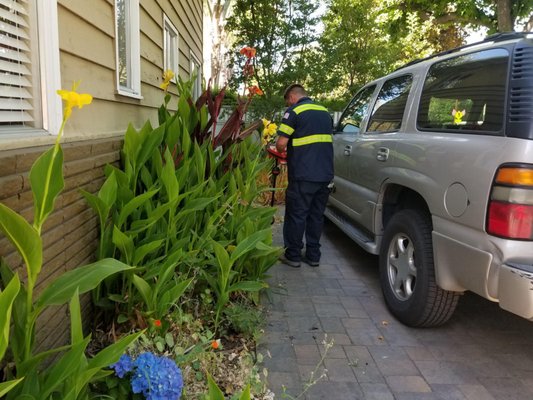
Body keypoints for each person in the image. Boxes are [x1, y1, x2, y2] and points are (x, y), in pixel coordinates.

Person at [275, 84, 334, 268]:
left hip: (303, 174)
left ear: (292, 96)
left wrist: (280, 149)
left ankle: (292, 255)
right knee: (316, 216)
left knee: (296, 214)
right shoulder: (324, 111)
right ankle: (313, 255)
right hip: (325, 174)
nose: (287, 104)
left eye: (287, 101)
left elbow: (281, 144)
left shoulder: (294, 111)